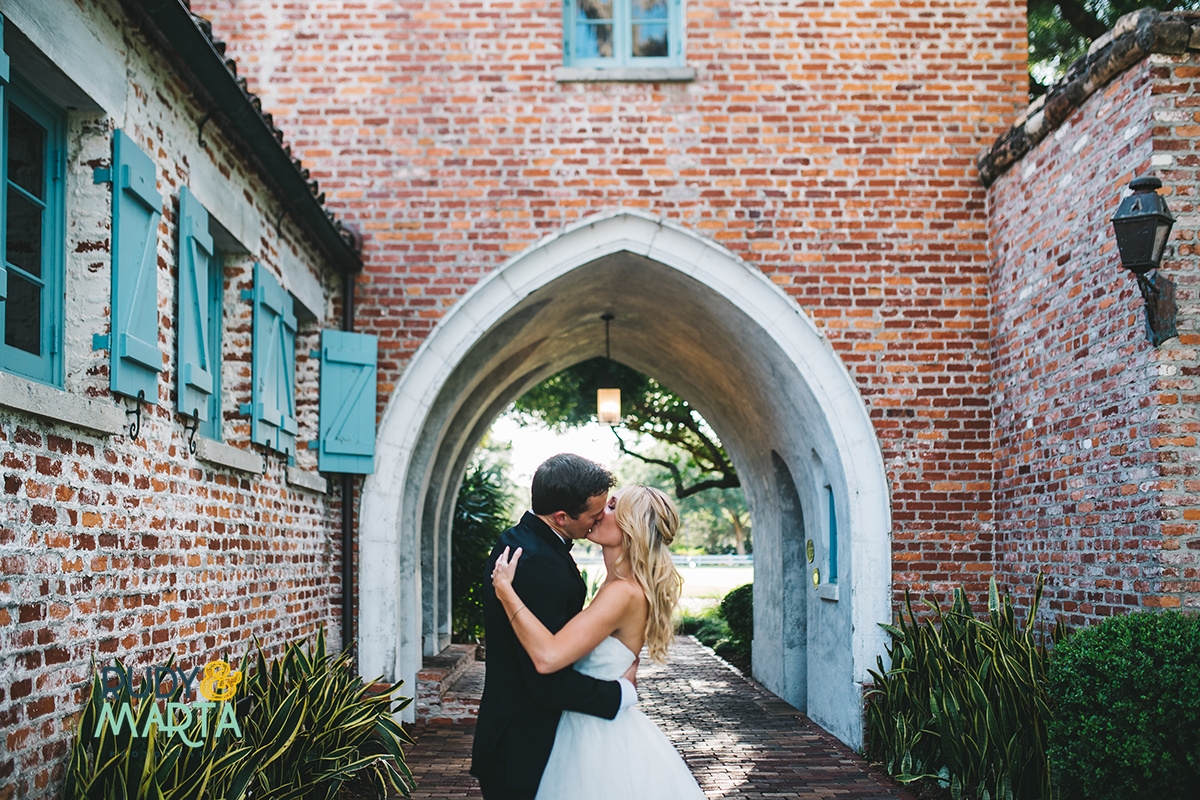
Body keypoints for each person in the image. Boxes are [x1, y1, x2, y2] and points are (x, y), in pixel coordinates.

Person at [491, 484, 707, 800]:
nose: (598, 511)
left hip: (598, 740)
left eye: (611, 507)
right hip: (588, 724)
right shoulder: (616, 585)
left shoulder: (621, 593)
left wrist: (506, 593)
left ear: (630, 526)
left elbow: (549, 656)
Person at [470, 454, 639, 800]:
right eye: (595, 514)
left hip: (523, 738)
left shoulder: (523, 541)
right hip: (522, 747)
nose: (598, 520)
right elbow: (544, 673)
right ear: (562, 517)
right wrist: (619, 694)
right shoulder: (537, 563)